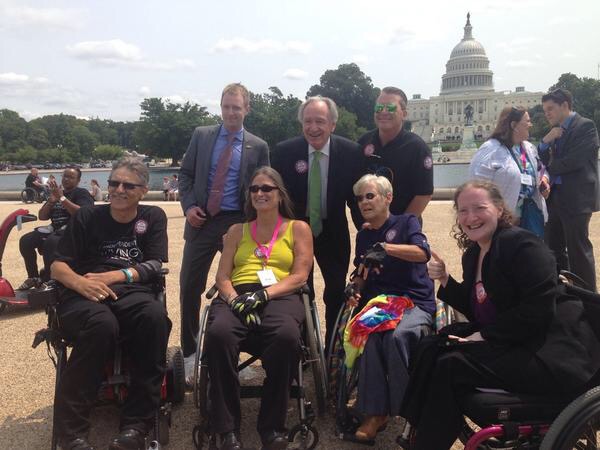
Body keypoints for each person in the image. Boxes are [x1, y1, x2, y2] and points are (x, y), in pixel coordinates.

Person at [399, 180, 600, 450]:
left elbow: (538, 310)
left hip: (549, 351)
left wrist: (483, 335)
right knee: (432, 345)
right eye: (463, 210)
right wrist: (445, 278)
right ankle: (417, 429)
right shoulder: (475, 254)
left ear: (499, 209)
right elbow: (478, 308)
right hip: (516, 340)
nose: (471, 217)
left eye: (479, 208)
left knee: (451, 365)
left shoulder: (523, 245)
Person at [51, 157, 170, 450]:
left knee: (154, 317)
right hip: (85, 292)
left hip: (131, 291)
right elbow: (57, 267)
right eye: (114, 183)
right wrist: (80, 283)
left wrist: (117, 275)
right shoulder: (87, 216)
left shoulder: (153, 216)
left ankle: (135, 425)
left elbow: (155, 263)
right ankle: (71, 434)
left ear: (143, 190)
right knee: (101, 324)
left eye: (128, 185)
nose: (119, 190)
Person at [207, 167, 313, 450]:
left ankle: (272, 426)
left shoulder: (298, 228)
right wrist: (234, 300)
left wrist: (263, 295)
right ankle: (227, 428)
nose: (259, 193)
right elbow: (222, 276)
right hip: (239, 293)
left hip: (279, 293)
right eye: (254, 189)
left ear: (280, 194)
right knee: (218, 334)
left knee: (287, 337)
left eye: (266, 188)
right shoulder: (236, 231)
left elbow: (300, 276)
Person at [178, 83, 269, 384]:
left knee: (244, 286)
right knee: (189, 286)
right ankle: (190, 353)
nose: (231, 113)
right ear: (220, 107)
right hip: (202, 220)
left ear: (247, 109)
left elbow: (264, 187)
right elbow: (186, 175)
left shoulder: (258, 146)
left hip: (238, 223)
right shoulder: (202, 136)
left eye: (236, 108)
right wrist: (189, 207)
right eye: (226, 107)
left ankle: (235, 354)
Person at [344, 174, 434, 441]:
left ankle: (407, 408)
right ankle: (376, 412)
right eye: (360, 198)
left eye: (370, 196)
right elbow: (361, 272)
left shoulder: (407, 222)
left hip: (413, 300)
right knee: (370, 337)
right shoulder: (363, 235)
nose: (364, 202)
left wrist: (387, 248)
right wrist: (355, 288)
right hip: (382, 303)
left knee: (397, 335)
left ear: (388, 198)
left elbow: (423, 253)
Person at [271, 96, 363, 348]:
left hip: (333, 231)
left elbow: (355, 198)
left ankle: (332, 348)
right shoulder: (284, 152)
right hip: (295, 232)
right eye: (308, 121)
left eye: (320, 121)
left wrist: (366, 228)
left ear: (333, 124)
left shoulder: (351, 152)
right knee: (301, 289)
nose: (313, 128)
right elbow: (275, 196)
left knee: (335, 290)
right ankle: (305, 347)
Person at [539, 88, 599, 291]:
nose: (547, 114)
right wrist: (545, 141)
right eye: (545, 110)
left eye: (550, 109)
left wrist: (548, 168)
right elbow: (542, 159)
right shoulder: (555, 131)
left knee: (578, 251)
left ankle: (589, 298)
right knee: (553, 249)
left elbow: (575, 161)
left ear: (564, 105)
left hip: (577, 198)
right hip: (555, 198)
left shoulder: (586, 126)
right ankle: (562, 294)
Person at [469, 106, 548, 237]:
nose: (531, 124)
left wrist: (544, 179)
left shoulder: (528, 148)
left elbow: (541, 169)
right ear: (514, 125)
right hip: (503, 220)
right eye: (527, 121)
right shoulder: (490, 149)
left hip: (530, 215)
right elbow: (476, 184)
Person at [357, 86, 433, 218]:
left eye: (390, 108)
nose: (383, 112)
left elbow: (424, 194)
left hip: (404, 225)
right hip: (368, 224)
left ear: (404, 114)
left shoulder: (417, 148)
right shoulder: (363, 142)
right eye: (379, 108)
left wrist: (400, 225)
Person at [18, 167, 94, 290]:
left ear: (78, 180)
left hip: (73, 231)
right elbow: (42, 216)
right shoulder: (57, 193)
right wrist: (51, 201)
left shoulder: (81, 193)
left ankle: (50, 280)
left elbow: (83, 214)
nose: (66, 179)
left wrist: (62, 198)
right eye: (65, 176)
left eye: (71, 177)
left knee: (51, 242)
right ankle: (33, 277)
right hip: (54, 229)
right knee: (25, 241)